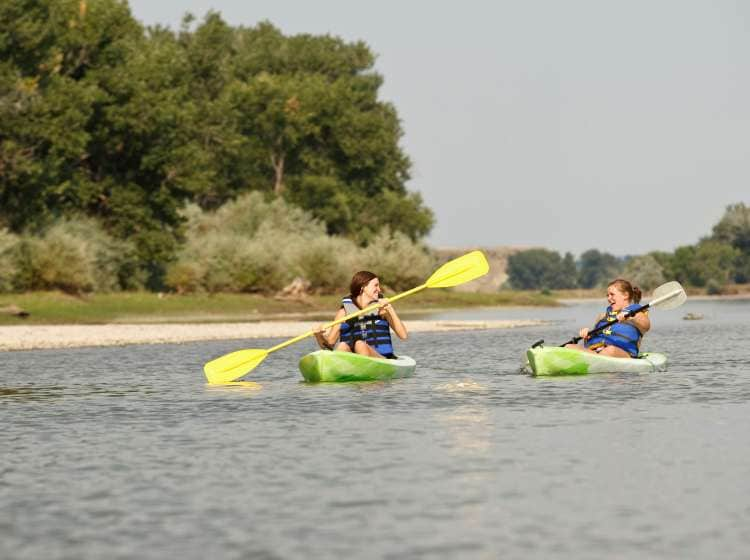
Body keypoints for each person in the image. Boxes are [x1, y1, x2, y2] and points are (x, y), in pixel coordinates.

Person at [313, 271, 407, 358]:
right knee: (342, 346)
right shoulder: (344, 313)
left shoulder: (382, 310)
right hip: (355, 362)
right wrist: (318, 336)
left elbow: (403, 336)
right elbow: (328, 347)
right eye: (375, 285)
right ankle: (341, 370)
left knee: (359, 344)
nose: (379, 289)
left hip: (381, 359)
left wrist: (390, 309)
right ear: (363, 287)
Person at [566, 278, 650, 358]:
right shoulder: (602, 316)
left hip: (621, 353)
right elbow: (594, 338)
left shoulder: (637, 312)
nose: (609, 298)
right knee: (569, 347)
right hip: (596, 351)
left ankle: (591, 359)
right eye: (608, 295)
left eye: (612, 295)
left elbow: (646, 325)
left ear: (625, 295)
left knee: (610, 350)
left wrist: (630, 316)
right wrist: (587, 335)